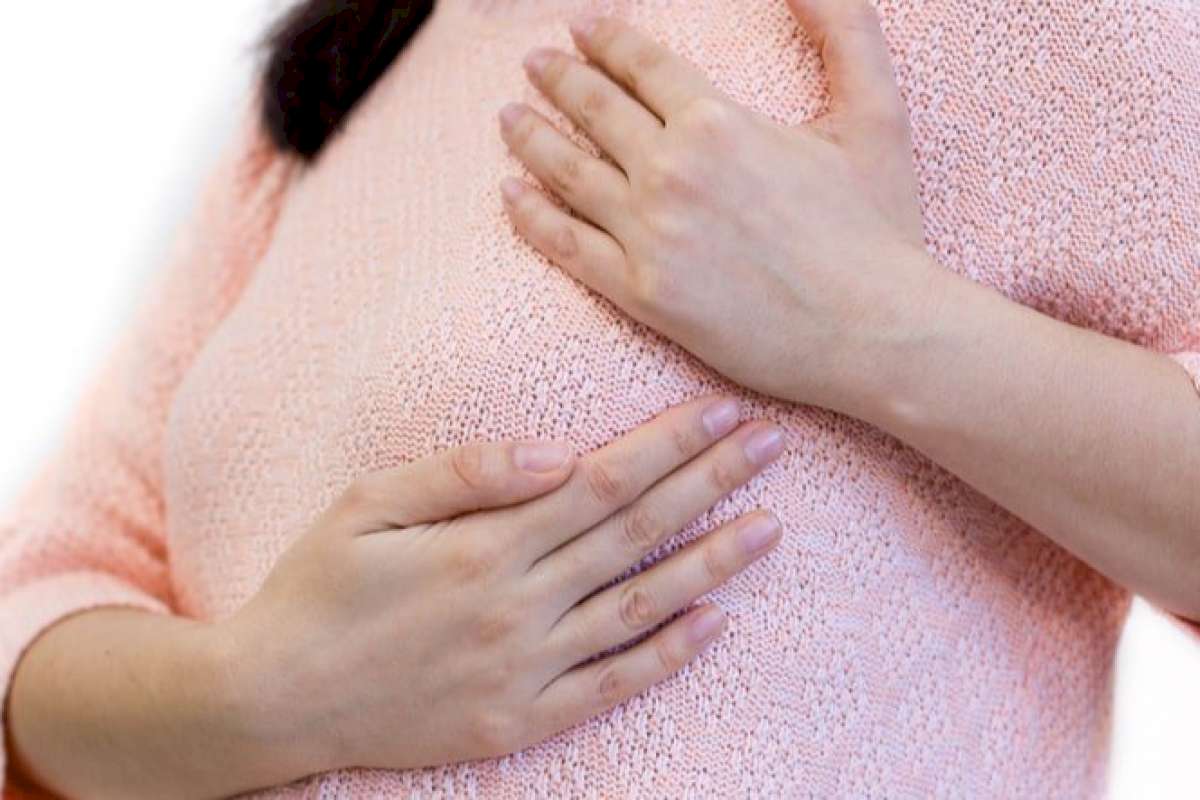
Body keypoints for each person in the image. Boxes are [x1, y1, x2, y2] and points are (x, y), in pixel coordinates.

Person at [4, 0, 1200, 797]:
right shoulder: (347, 77)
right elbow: (45, 589)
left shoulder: (1023, 24)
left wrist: (873, 322)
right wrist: (268, 694)